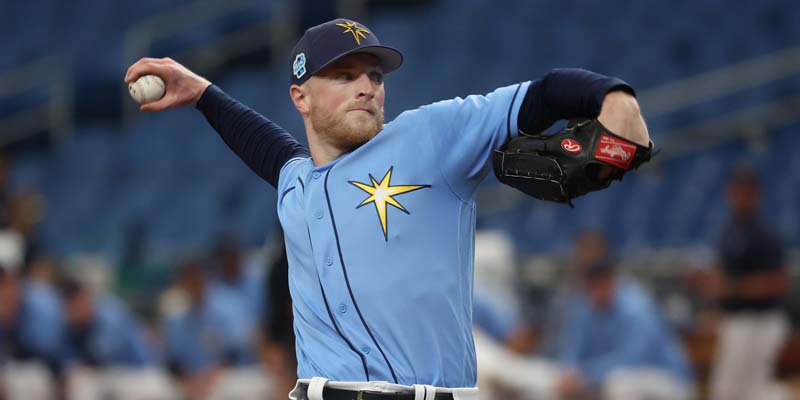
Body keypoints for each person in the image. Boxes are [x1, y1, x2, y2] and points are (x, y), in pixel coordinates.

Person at [125, 18, 651, 399]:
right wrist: (202, 94)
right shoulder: (296, 183)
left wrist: (613, 96)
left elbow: (539, 95)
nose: (366, 87)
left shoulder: (429, 137)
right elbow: (265, 146)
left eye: (374, 76)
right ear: (300, 98)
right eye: (343, 74)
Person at [553, 251, 693, 400]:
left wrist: (585, 375)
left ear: (613, 281)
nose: (596, 291)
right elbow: (573, 349)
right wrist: (570, 373)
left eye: (601, 284)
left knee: (618, 385)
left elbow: (633, 360)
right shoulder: (586, 308)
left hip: (667, 378)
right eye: (591, 286)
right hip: (609, 378)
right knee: (555, 383)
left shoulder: (637, 308)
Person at [706, 168, 790, 400]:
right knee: (725, 390)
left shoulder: (765, 234)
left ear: (756, 194)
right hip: (735, 320)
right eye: (736, 190)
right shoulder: (729, 230)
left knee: (754, 390)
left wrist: (733, 287)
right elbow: (722, 276)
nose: (739, 196)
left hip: (761, 321)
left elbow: (778, 283)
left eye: (745, 191)